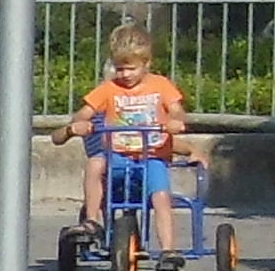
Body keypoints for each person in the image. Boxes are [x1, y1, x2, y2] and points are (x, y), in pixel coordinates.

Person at [74, 24, 199, 241]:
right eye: (120, 69)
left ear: (146, 64)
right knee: (95, 163)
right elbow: (84, 113)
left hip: (151, 155)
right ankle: (92, 221)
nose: (125, 75)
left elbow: (177, 111)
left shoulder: (161, 85)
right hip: (118, 155)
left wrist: (175, 121)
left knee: (161, 197)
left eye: (131, 69)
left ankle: (168, 250)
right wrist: (80, 123)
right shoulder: (109, 88)